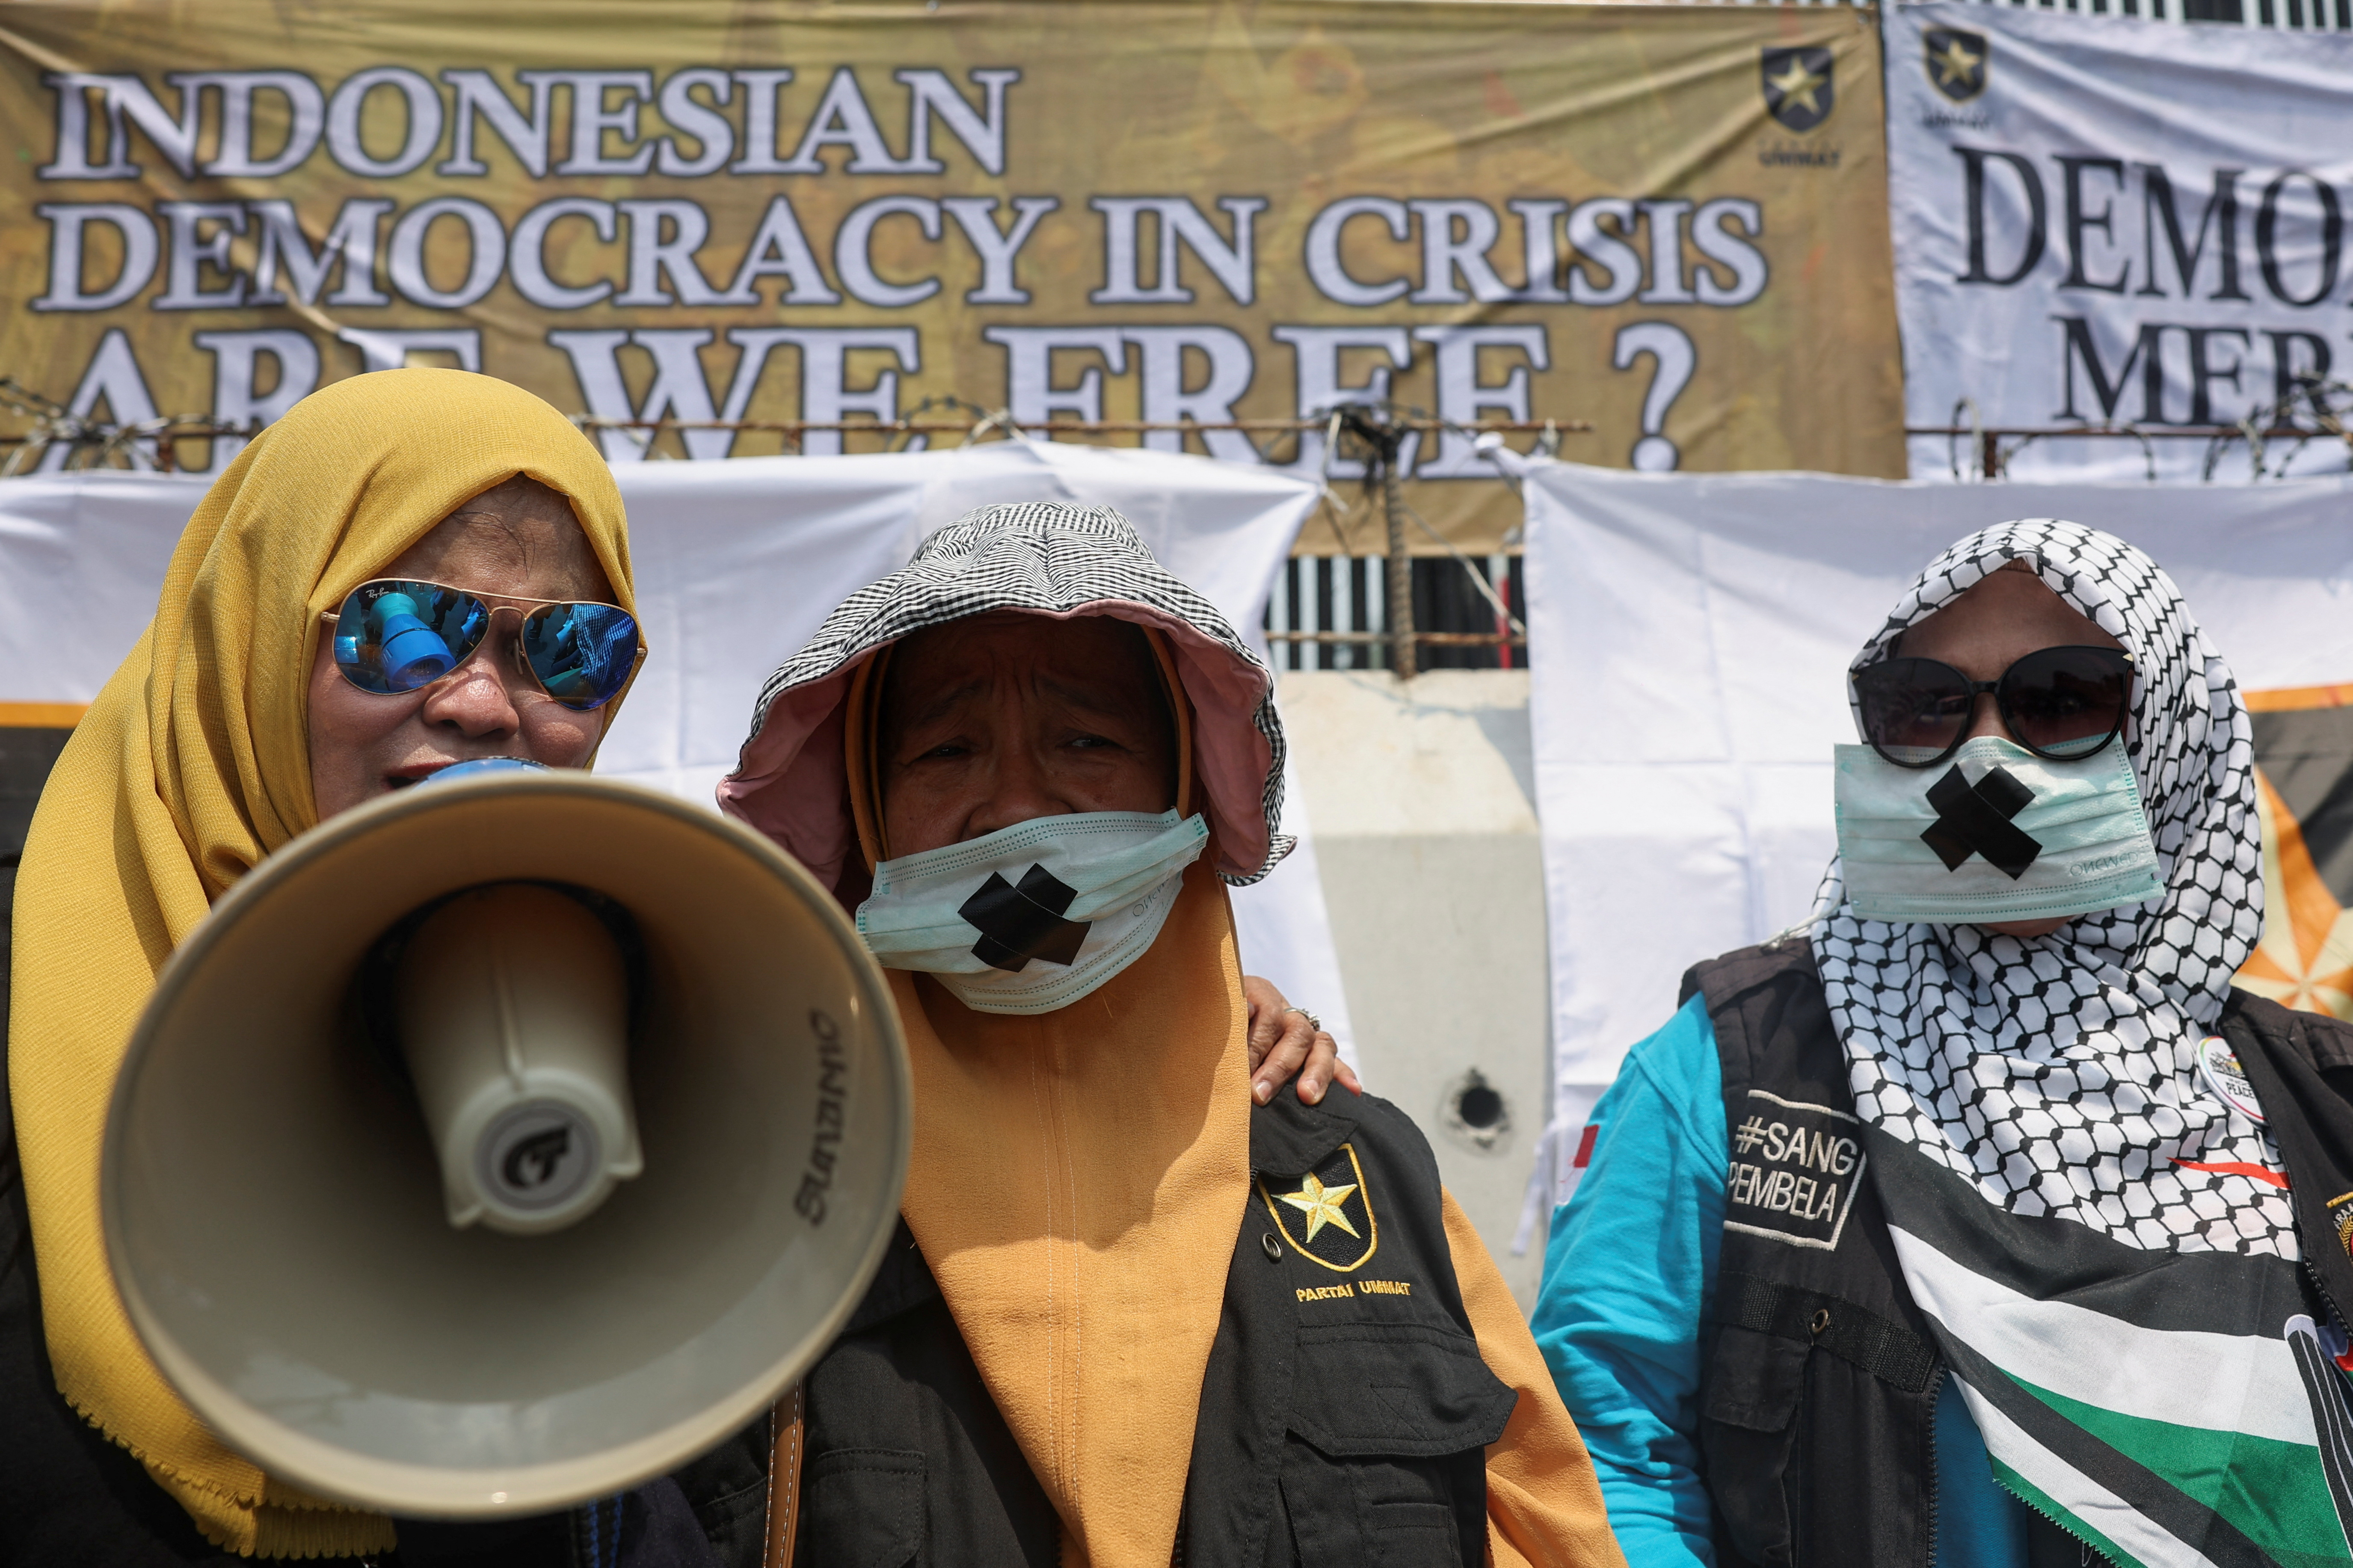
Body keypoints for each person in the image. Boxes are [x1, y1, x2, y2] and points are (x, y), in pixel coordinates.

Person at [0, 373, 1342, 1565]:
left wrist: (1172, 1011)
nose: (479, 700)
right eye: (403, 627)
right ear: (251, 630)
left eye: (569, 649)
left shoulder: (657, 1046)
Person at [718, 500, 1627, 1568]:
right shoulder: (746, 1194)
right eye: (946, 748)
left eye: (1086, 740)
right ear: (869, 817)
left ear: (1182, 788)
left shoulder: (1362, 1169)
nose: (1014, 803)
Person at [1530, 521, 2353, 1568]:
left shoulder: (2315, 1102)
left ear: (2174, 736)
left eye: (2060, 699)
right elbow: (1607, 1452)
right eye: (1924, 704)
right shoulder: (1733, 1072)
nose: (1983, 753)